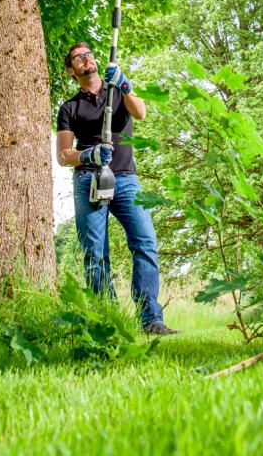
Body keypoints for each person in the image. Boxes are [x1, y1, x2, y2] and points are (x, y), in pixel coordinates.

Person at [56, 42, 178, 335]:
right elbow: (63, 155)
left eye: (88, 54)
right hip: (89, 179)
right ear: (72, 70)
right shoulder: (69, 107)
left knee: (145, 242)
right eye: (78, 58)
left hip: (126, 178)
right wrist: (88, 155)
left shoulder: (116, 90)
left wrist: (125, 83)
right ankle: (107, 319)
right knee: (95, 252)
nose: (86, 59)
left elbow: (141, 112)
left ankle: (151, 319)